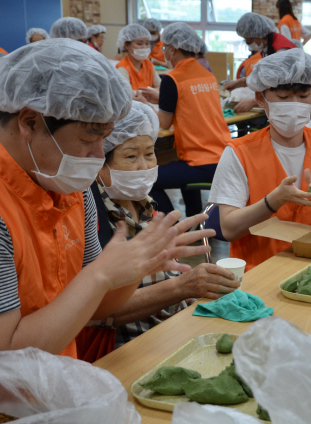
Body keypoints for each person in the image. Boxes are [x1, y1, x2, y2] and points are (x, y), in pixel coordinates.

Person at [0, 39, 212, 359]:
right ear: (30, 123)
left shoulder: (68, 186)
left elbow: (98, 304)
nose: (98, 157)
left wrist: (136, 266)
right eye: (88, 140)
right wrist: (101, 274)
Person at [89, 101, 238, 349]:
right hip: (131, 349)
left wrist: (193, 291)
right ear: (98, 164)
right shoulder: (95, 222)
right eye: (130, 156)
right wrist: (180, 287)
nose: (145, 166)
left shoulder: (150, 209)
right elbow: (96, 312)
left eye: (149, 154)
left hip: (172, 334)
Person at [209, 49, 311, 271]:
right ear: (261, 98)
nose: (295, 105)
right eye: (284, 98)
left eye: (304, 97)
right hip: (258, 270)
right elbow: (228, 229)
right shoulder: (239, 152)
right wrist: (273, 201)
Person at [139, 22, 230, 217]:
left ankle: (173, 227)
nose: (164, 52)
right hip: (224, 157)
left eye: (164, 48)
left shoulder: (172, 79)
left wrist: (143, 105)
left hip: (201, 162)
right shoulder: (207, 75)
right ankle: (195, 220)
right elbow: (191, 103)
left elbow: (163, 123)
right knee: (180, 170)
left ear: (173, 49)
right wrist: (161, 99)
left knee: (146, 180)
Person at [223, 13, 311, 127]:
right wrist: (240, 82)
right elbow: (267, 76)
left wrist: (254, 101)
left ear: (258, 34)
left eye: (249, 41)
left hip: (309, 96)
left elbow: (283, 85)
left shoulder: (280, 48)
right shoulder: (268, 47)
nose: (249, 45)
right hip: (300, 94)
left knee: (307, 135)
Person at [115, 24, 160, 101]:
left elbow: (160, 86)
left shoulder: (148, 64)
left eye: (147, 43)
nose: (144, 47)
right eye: (139, 44)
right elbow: (126, 94)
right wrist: (150, 93)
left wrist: (141, 93)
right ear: (126, 45)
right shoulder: (122, 68)